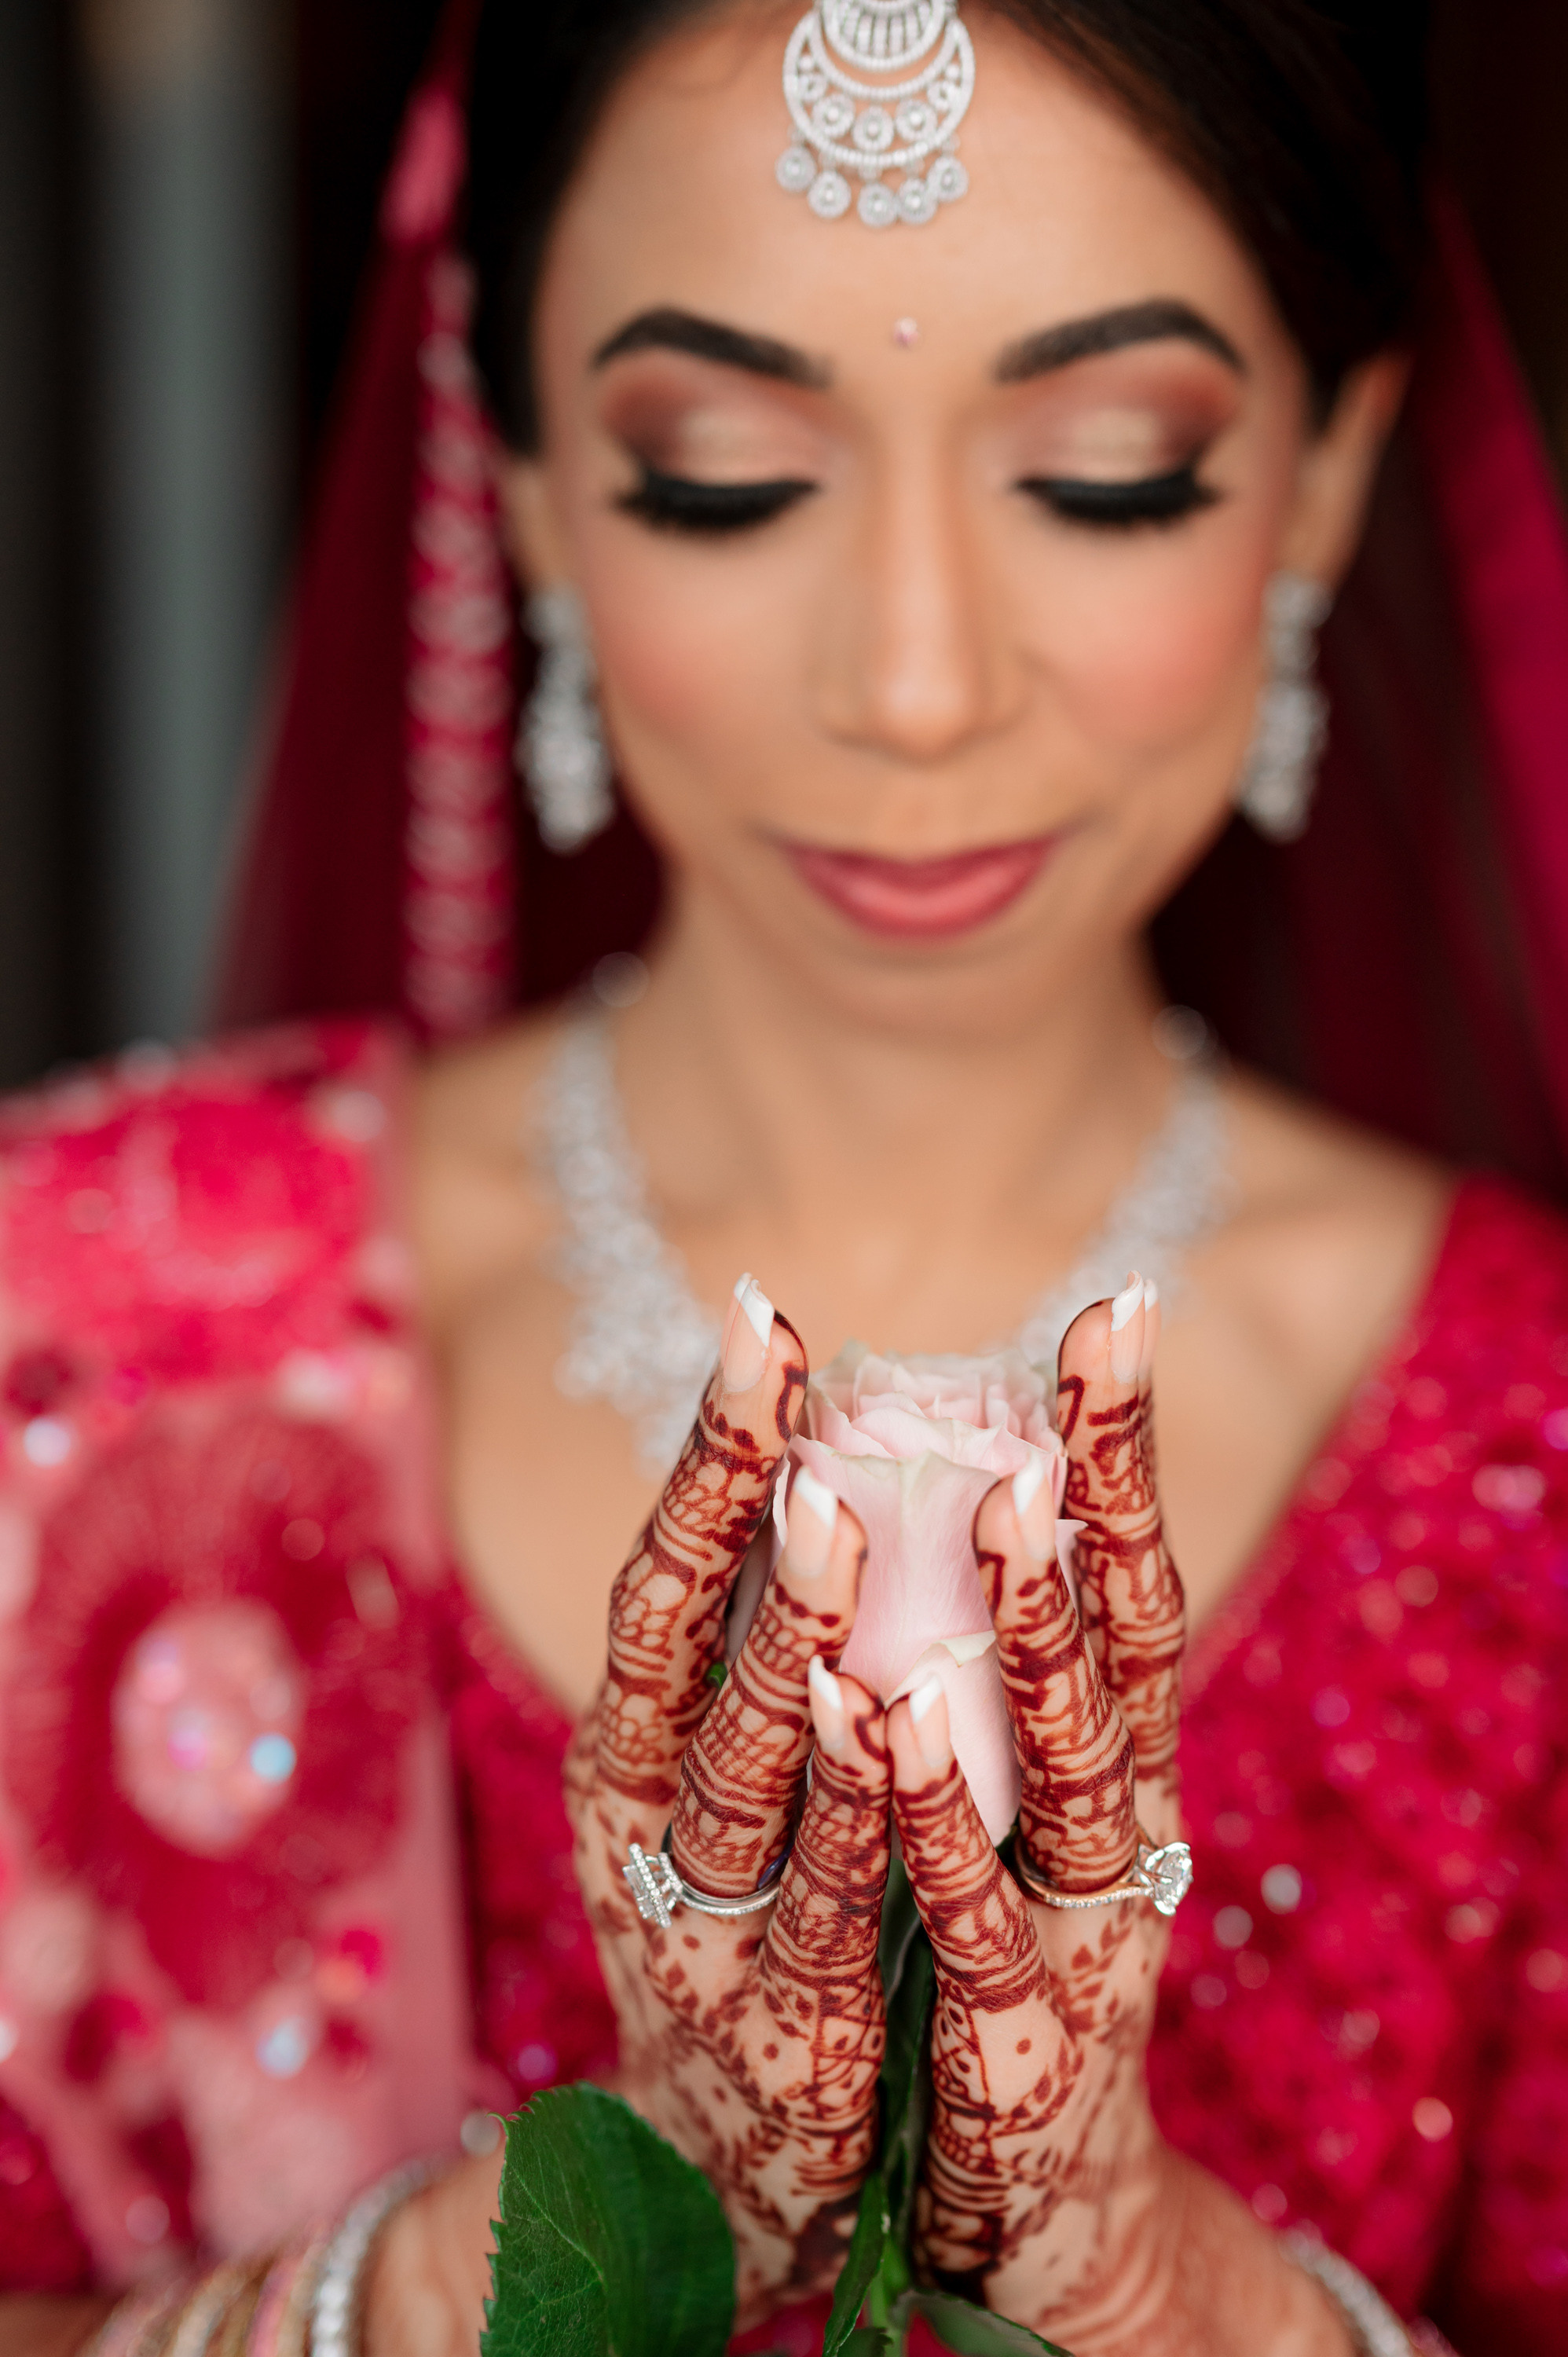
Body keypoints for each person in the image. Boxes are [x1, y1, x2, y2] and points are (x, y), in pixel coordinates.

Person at [0, 2, 1565, 2352]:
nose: (912, 682)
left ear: (1324, 475)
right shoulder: (85, 1334)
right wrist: (390, 2309)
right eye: (722, 474)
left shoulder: (1530, 1453)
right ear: (520, 477)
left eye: (1112, 469)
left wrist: (1180, 2304)